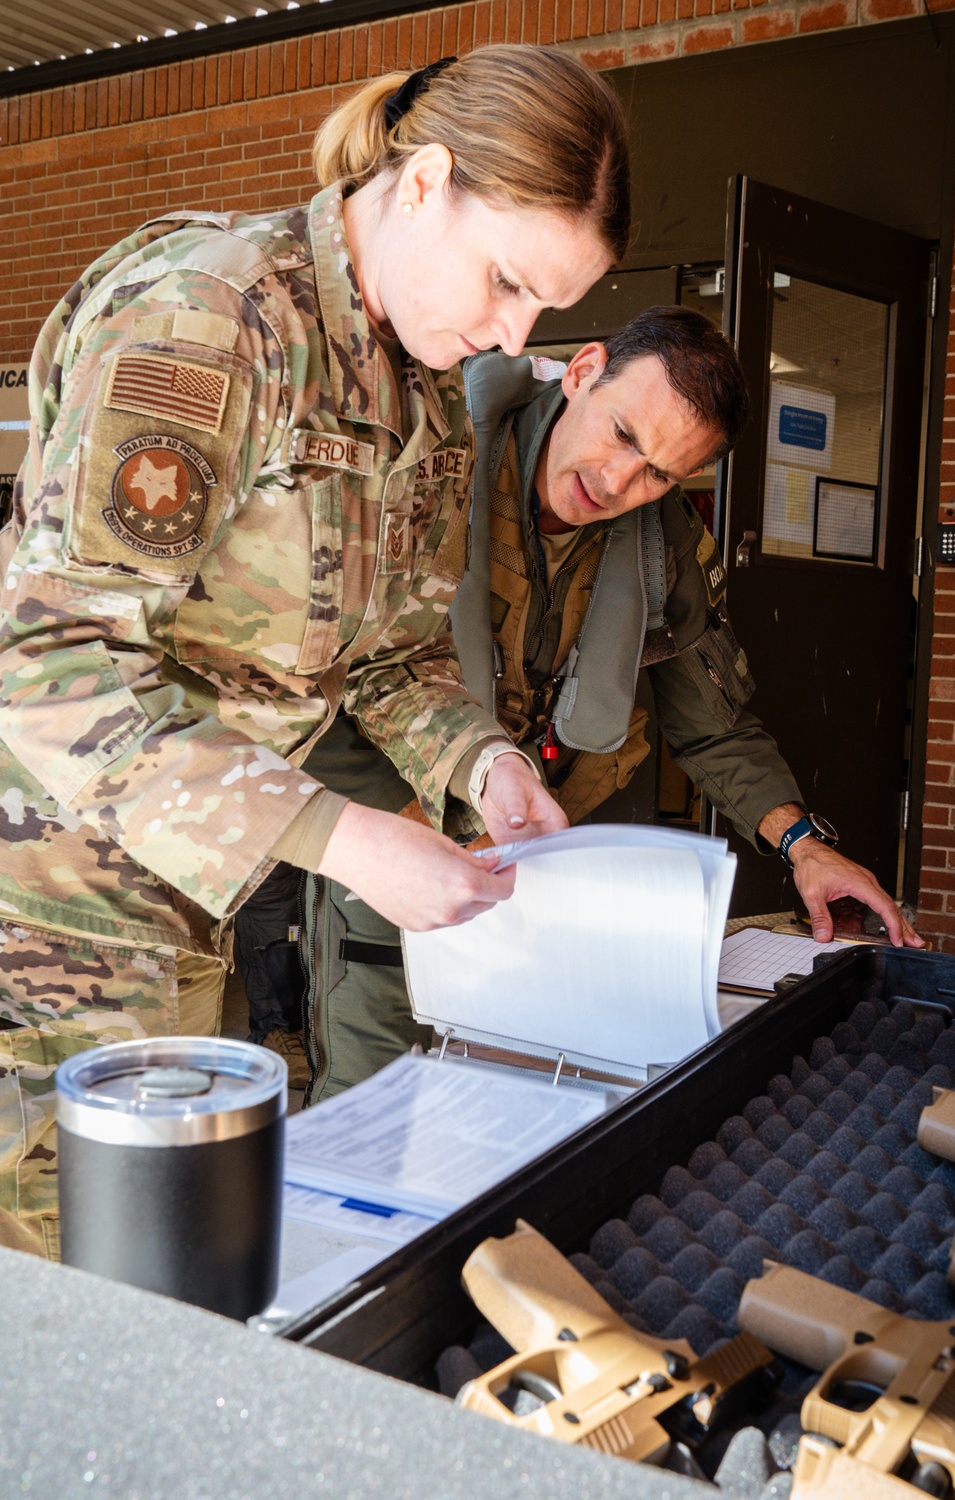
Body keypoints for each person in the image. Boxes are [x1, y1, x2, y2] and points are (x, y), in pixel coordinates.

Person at [0, 44, 631, 1258]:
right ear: (424, 181)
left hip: (180, 901)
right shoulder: (212, 318)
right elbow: (49, 659)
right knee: (67, 1296)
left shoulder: (422, 383)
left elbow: (393, 655)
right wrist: (342, 840)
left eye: (544, 307)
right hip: (45, 912)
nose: (515, 329)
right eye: (506, 280)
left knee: (151, 1270)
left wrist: (481, 766)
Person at [278, 304, 921, 1102]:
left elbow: (711, 724)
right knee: (374, 1116)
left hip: (542, 881)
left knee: (523, 1112)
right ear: (582, 372)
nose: (619, 483)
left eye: (657, 471)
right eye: (622, 434)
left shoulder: (664, 542)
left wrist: (802, 844)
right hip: (389, 858)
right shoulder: (426, 467)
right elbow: (318, 689)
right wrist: (403, 836)